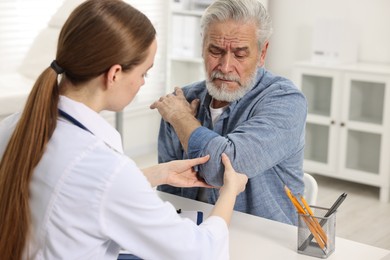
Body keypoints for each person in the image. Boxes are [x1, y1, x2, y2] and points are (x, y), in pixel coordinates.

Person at [0, 1, 248, 259]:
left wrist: (154, 174)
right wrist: (229, 191)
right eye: (144, 73)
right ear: (115, 73)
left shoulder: (15, 126)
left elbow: (80, 192)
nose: (142, 83)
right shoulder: (106, 169)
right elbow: (200, 252)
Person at [150, 0, 307, 226]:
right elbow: (169, 193)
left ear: (262, 53)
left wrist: (182, 119)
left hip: (264, 239)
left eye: (240, 55)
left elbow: (220, 173)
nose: (225, 66)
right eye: (215, 51)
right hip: (192, 234)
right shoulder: (182, 99)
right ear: (202, 46)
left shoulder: (285, 100)